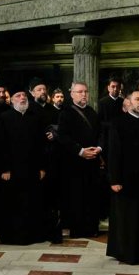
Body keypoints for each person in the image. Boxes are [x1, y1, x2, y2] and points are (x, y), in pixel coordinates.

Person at [105, 90, 139, 265]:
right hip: (125, 180)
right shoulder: (118, 123)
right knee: (127, 218)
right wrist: (114, 180)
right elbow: (113, 153)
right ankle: (126, 253)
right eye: (137, 99)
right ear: (128, 102)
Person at [0, 90, 47, 245]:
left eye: (24, 95)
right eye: (18, 96)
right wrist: (4, 169)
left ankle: (33, 235)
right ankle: (12, 236)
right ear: (11, 101)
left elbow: (41, 145)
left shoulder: (35, 118)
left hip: (32, 170)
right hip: (12, 171)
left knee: (32, 203)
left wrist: (42, 167)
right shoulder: (4, 118)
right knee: (13, 204)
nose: (22, 98)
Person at [55, 82, 104, 238]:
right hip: (74, 163)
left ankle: (92, 227)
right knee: (77, 197)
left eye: (85, 91)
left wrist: (99, 148)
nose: (84, 94)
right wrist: (81, 151)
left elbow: (101, 133)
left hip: (93, 161)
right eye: (80, 91)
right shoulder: (66, 113)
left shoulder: (92, 112)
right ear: (72, 94)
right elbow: (62, 137)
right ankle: (78, 229)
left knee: (93, 196)